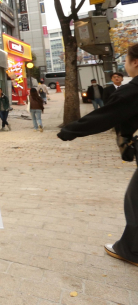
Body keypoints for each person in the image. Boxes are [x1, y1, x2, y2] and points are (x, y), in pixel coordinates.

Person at [58, 43, 138, 267]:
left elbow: (104, 116)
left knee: (135, 200)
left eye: (126, 60)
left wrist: (70, 130)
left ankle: (131, 250)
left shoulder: (133, 90)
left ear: (136, 62)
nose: (124, 66)